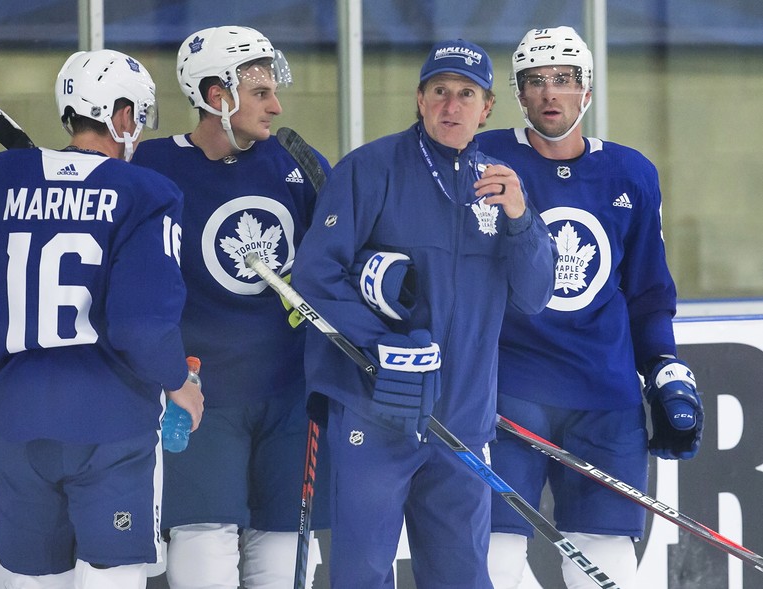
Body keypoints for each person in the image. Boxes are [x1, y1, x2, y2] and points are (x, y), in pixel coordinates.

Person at [0, 49, 204, 589]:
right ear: (123, 117)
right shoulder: (148, 193)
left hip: (16, 423)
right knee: (112, 577)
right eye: (139, 118)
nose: (139, 132)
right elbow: (141, 327)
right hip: (112, 426)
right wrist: (180, 383)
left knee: (35, 582)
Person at [291, 39, 557, 588]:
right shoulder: (369, 168)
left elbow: (534, 296)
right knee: (363, 575)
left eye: (466, 94)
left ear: (487, 109)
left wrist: (521, 217)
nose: (451, 106)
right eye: (439, 91)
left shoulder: (501, 186)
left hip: (460, 421)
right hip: (375, 410)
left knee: (460, 577)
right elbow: (315, 277)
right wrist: (379, 344)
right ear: (419, 99)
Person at [477, 27, 704, 589]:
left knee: (607, 566)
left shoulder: (631, 173)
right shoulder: (483, 161)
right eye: (535, 82)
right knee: (493, 558)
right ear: (517, 94)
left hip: (604, 398)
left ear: (587, 90)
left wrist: (666, 371)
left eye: (563, 80)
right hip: (508, 392)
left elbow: (647, 294)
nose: (550, 94)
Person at [130, 25, 330, 589]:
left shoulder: (295, 160)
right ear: (218, 96)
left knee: (286, 539)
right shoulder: (149, 167)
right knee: (202, 540)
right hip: (198, 392)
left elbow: (340, 254)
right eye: (261, 92)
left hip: (289, 391)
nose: (277, 105)